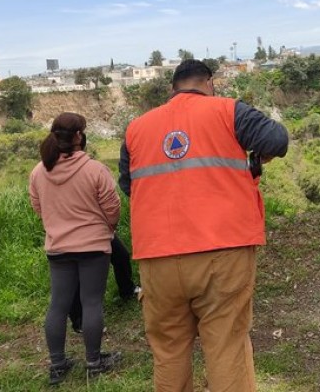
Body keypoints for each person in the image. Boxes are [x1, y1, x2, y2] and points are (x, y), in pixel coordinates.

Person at [119, 59, 288, 392]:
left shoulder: (136, 129)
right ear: (209, 83)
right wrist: (253, 162)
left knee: (168, 351)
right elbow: (276, 140)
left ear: (173, 89)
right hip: (222, 253)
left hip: (158, 259)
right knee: (225, 344)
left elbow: (129, 185)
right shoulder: (228, 111)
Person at [29, 113, 122, 384]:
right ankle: (94, 361)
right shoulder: (95, 169)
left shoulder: (39, 171)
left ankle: (57, 365)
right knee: (91, 302)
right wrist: (108, 228)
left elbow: (39, 206)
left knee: (58, 305)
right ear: (79, 136)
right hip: (93, 245)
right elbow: (112, 208)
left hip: (57, 247)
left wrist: (55, 224)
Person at [68, 233, 140, 334]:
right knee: (77, 274)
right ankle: (79, 320)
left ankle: (127, 289)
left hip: (99, 228)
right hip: (72, 236)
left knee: (121, 255)